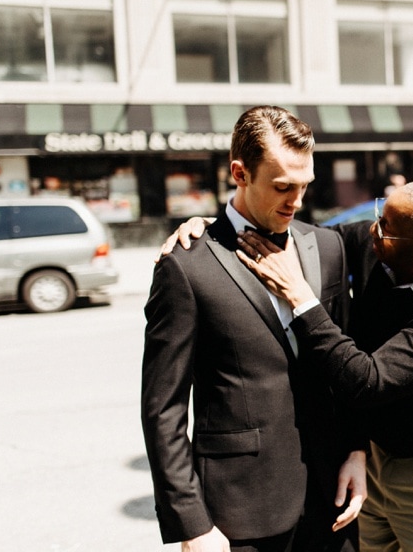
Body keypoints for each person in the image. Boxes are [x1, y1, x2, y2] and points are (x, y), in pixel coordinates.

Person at [168, 181, 413, 551]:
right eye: (379, 215)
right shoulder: (385, 241)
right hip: (375, 458)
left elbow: (366, 382)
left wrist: (300, 298)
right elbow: (305, 239)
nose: (372, 228)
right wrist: (222, 226)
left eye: (386, 227)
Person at [142, 105, 366, 552]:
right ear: (239, 174)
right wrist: (192, 524)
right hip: (239, 513)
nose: (296, 201)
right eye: (283, 187)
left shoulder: (327, 246)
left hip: (331, 497)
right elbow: (162, 409)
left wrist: (358, 452)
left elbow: (346, 364)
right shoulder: (186, 266)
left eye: (305, 186)